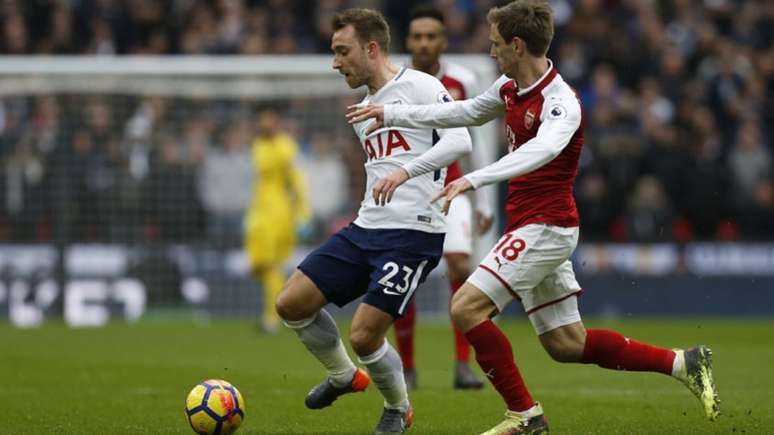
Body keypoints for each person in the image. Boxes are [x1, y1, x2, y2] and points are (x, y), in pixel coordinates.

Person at [347, 1, 719, 434]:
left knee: (466, 307)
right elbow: (464, 112)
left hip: (547, 226)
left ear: (518, 46)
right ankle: (683, 363)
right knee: (566, 343)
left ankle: (524, 415)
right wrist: (392, 112)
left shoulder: (562, 103)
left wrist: (473, 181)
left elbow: (538, 152)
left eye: (496, 45)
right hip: (530, 225)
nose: (491, 53)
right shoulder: (509, 85)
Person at [274, 8, 472, 435]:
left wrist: (408, 172)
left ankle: (398, 408)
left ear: (371, 48)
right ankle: (345, 376)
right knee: (290, 303)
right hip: (366, 228)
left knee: (365, 334)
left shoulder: (421, 85)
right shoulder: (364, 109)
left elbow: (461, 138)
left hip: (414, 233)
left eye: (342, 51)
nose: (335, 62)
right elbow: (381, 170)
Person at [394, 5, 494, 391]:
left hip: (452, 190)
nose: (423, 43)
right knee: (403, 277)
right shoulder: (394, 81)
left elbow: (475, 141)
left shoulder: (461, 80)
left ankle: (462, 364)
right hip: (407, 192)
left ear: (443, 40)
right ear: (407, 41)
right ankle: (407, 367)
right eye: (417, 36)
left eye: (430, 36)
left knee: (458, 265)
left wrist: (483, 198)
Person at [244, 110, 311, 334]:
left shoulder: (285, 147)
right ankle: (288, 309)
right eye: (261, 118)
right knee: (262, 266)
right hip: (260, 212)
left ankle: (272, 317)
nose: (265, 123)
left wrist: (303, 213)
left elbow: (297, 181)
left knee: (271, 265)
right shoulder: (258, 145)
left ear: (276, 122)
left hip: (278, 214)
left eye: (269, 118)